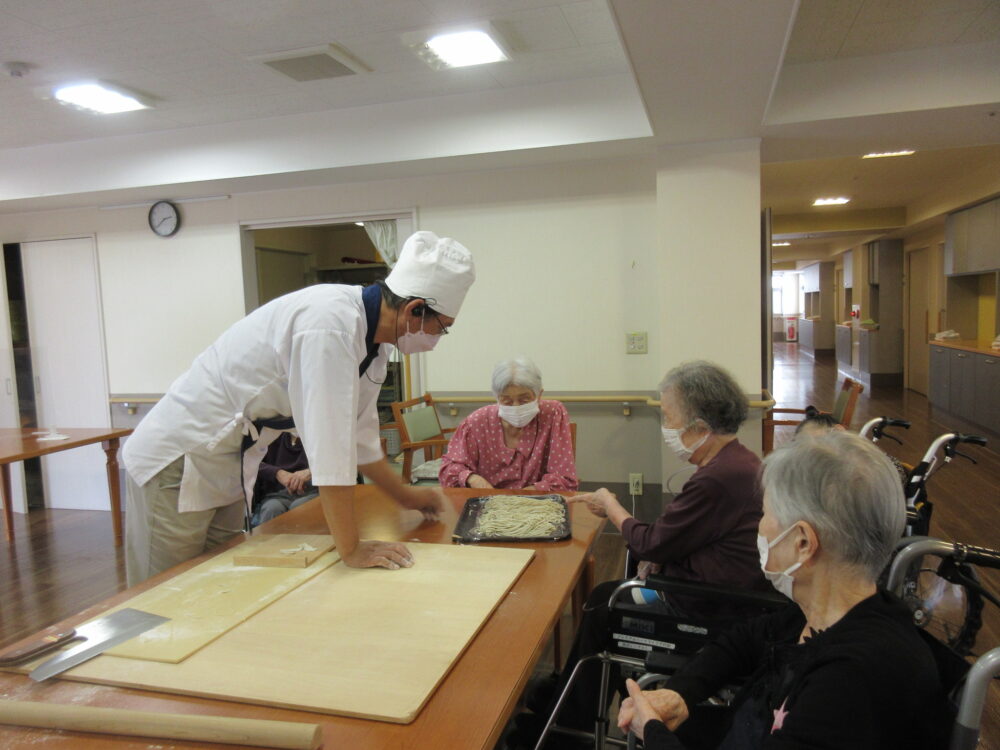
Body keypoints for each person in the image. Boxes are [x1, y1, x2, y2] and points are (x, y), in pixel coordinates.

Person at [122, 230, 475, 585]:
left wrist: (404, 495)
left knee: (212, 582)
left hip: (227, 459)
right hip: (180, 456)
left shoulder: (376, 345)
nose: (436, 339)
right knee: (165, 593)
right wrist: (349, 548)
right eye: (441, 328)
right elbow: (330, 446)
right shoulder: (329, 324)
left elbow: (360, 437)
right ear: (414, 309)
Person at [617, 431, 950, 750]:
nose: (760, 527)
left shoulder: (849, 682)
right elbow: (743, 641)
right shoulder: (824, 613)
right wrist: (681, 693)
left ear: (803, 542)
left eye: (766, 514)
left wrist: (653, 734)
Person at [512, 361, 765, 747]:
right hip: (715, 593)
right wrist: (657, 551)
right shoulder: (738, 462)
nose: (667, 428)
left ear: (698, 425)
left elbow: (650, 543)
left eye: (668, 417)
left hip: (705, 609)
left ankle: (571, 724)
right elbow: (675, 536)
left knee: (605, 603)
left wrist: (611, 505)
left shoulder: (720, 477)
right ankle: (567, 700)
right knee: (605, 599)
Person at [439, 357, 578, 492]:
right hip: (489, 502)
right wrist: (472, 478)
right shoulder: (476, 422)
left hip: (537, 504)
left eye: (524, 400)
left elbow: (564, 478)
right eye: (507, 401)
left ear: (539, 395)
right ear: (497, 398)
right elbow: (448, 469)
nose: (516, 406)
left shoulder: (552, 414)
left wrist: (527, 494)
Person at [250, 432, 318, 527]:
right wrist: (277, 473)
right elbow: (249, 461)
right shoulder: (271, 433)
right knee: (271, 509)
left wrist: (311, 471)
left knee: (300, 508)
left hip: (314, 491)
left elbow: (338, 462)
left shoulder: (318, 433)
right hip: (279, 494)